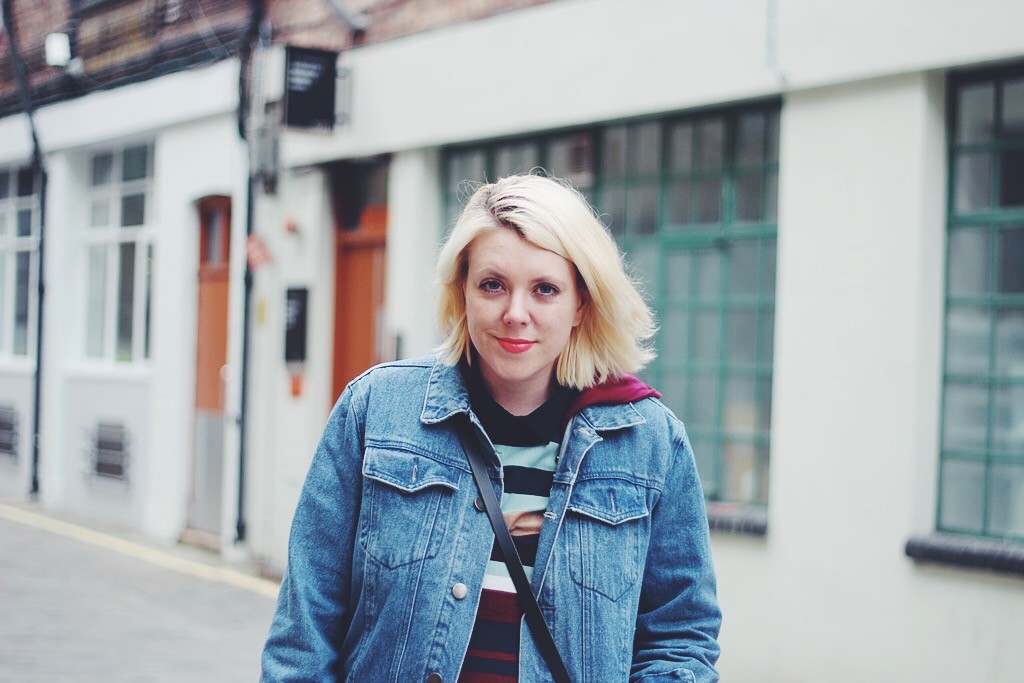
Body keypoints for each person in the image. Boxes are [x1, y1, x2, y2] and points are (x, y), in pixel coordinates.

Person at [261, 174, 721, 682]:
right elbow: (305, 631)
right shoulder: (375, 411)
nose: (515, 314)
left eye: (545, 289)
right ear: (462, 291)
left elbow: (679, 637)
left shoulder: (649, 443)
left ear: (581, 304)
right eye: (492, 285)